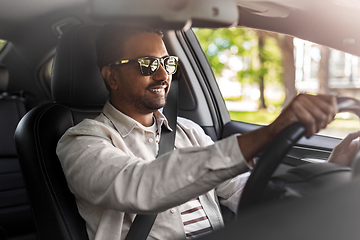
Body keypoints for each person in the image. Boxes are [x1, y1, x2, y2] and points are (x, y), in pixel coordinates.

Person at [56, 24, 359, 240]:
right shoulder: (82, 142)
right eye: (147, 64)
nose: (163, 75)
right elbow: (141, 186)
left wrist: (324, 175)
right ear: (112, 76)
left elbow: (241, 189)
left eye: (168, 62)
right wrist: (270, 131)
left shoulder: (187, 131)